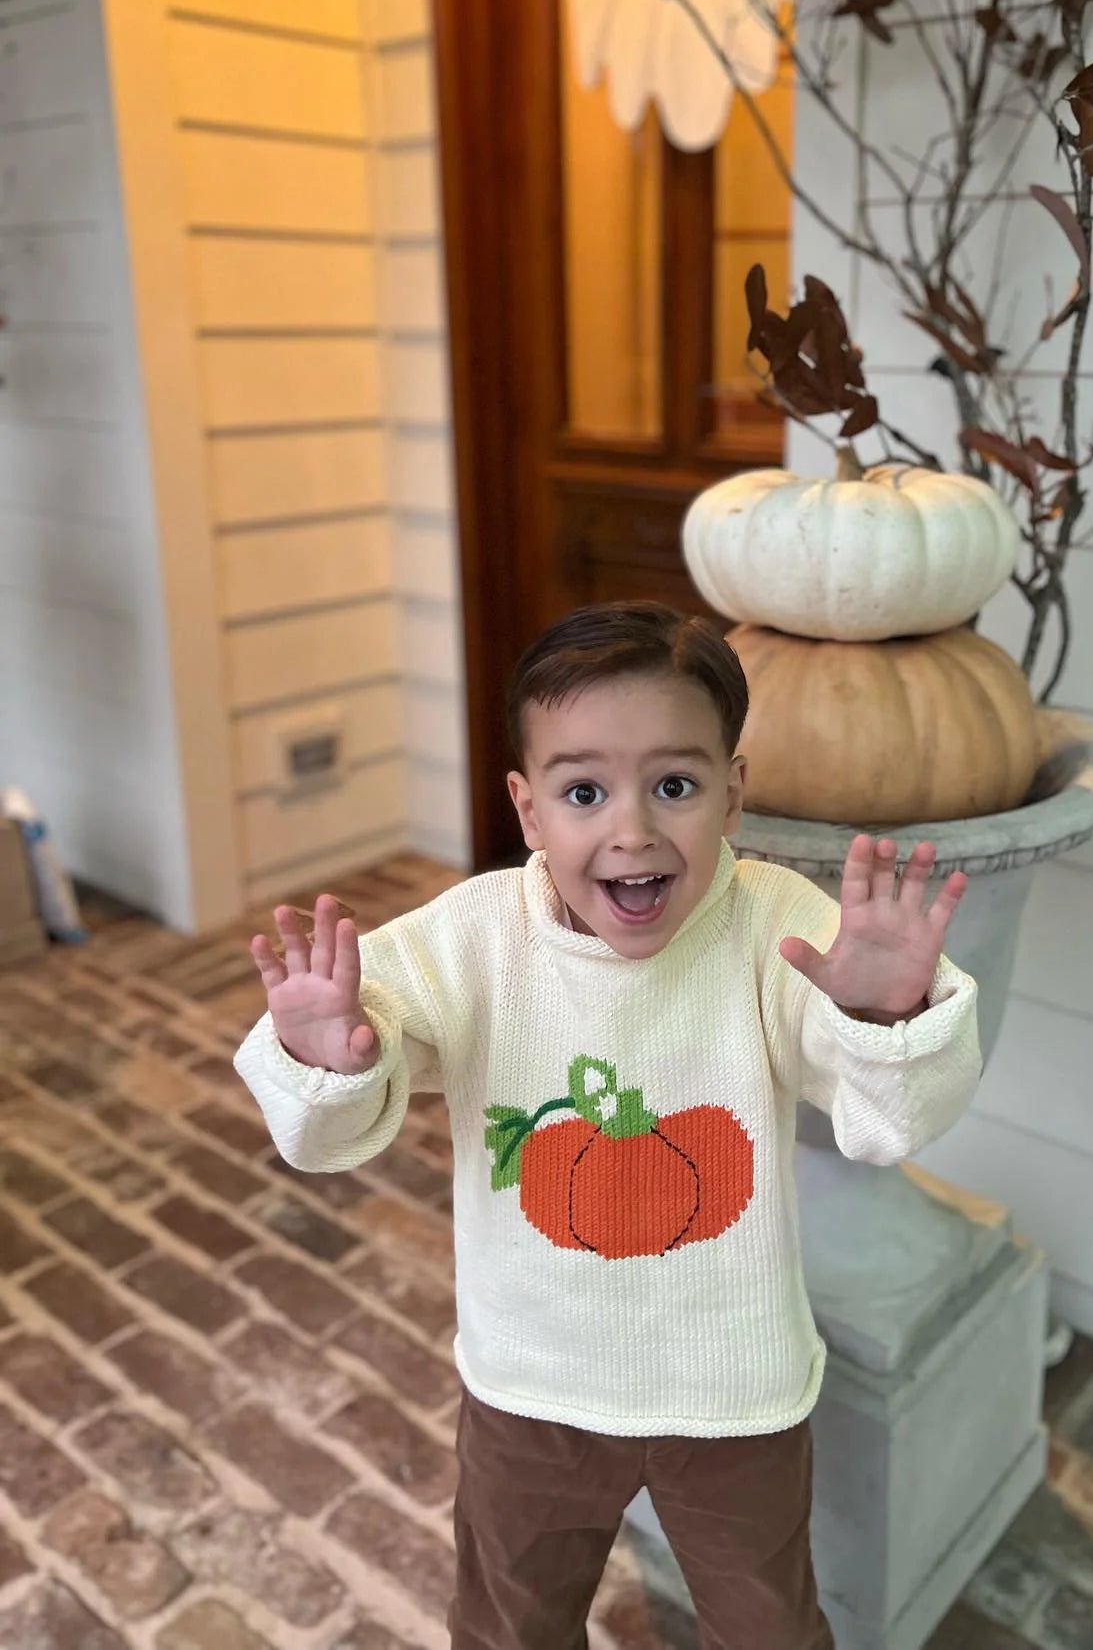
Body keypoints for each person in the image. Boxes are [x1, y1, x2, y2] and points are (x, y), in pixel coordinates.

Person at [236, 601, 983, 1650]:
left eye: (673, 786)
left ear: (733, 791)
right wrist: (328, 1049)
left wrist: (882, 1014)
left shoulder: (775, 926)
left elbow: (891, 1117)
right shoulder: (472, 940)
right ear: (528, 808)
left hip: (732, 1388)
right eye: (584, 791)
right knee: (508, 1619)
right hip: (533, 1381)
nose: (631, 829)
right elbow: (341, 1101)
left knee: (767, 1620)